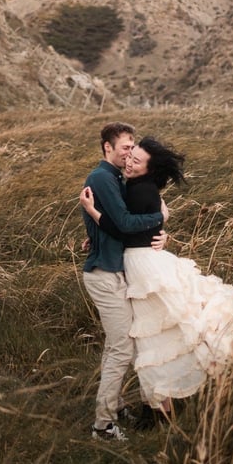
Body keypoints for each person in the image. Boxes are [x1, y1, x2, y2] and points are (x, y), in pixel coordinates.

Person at [81, 135, 233, 427]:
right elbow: (134, 223)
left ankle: (158, 407)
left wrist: (95, 214)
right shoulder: (133, 184)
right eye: (129, 155)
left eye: (136, 159)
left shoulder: (140, 189)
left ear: (149, 169)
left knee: (156, 336)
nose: (130, 161)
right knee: (154, 336)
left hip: (143, 266)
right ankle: (158, 405)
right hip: (140, 263)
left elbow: (126, 228)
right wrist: (154, 221)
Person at [81, 122, 168, 441]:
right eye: (125, 148)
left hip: (116, 270)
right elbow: (124, 223)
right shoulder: (101, 178)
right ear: (108, 147)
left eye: (133, 148)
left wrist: (160, 231)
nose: (129, 153)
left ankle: (115, 406)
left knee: (118, 344)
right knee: (122, 348)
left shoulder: (118, 176)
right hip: (105, 275)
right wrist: (160, 217)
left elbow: (120, 226)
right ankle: (102, 425)